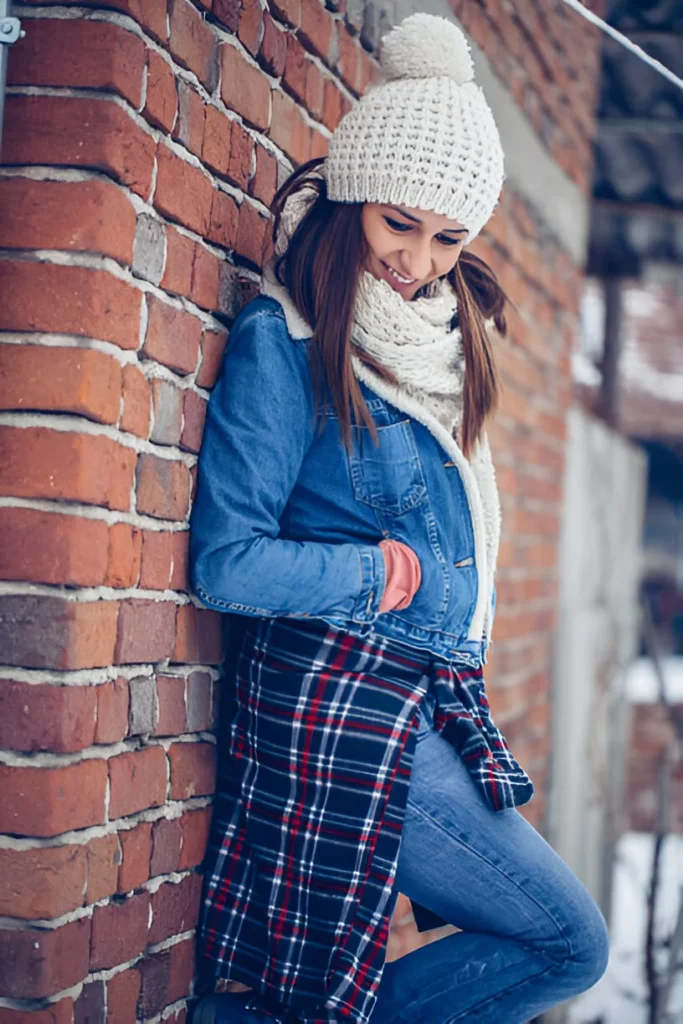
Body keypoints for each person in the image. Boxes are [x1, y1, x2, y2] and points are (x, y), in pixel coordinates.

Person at [189, 13, 609, 1024]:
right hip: (338, 700)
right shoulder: (281, 341)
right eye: (396, 223)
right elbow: (225, 561)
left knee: (546, 942)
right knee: (567, 940)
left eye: (446, 237)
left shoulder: (442, 350)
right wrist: (372, 575)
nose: (416, 261)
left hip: (417, 702)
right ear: (351, 199)